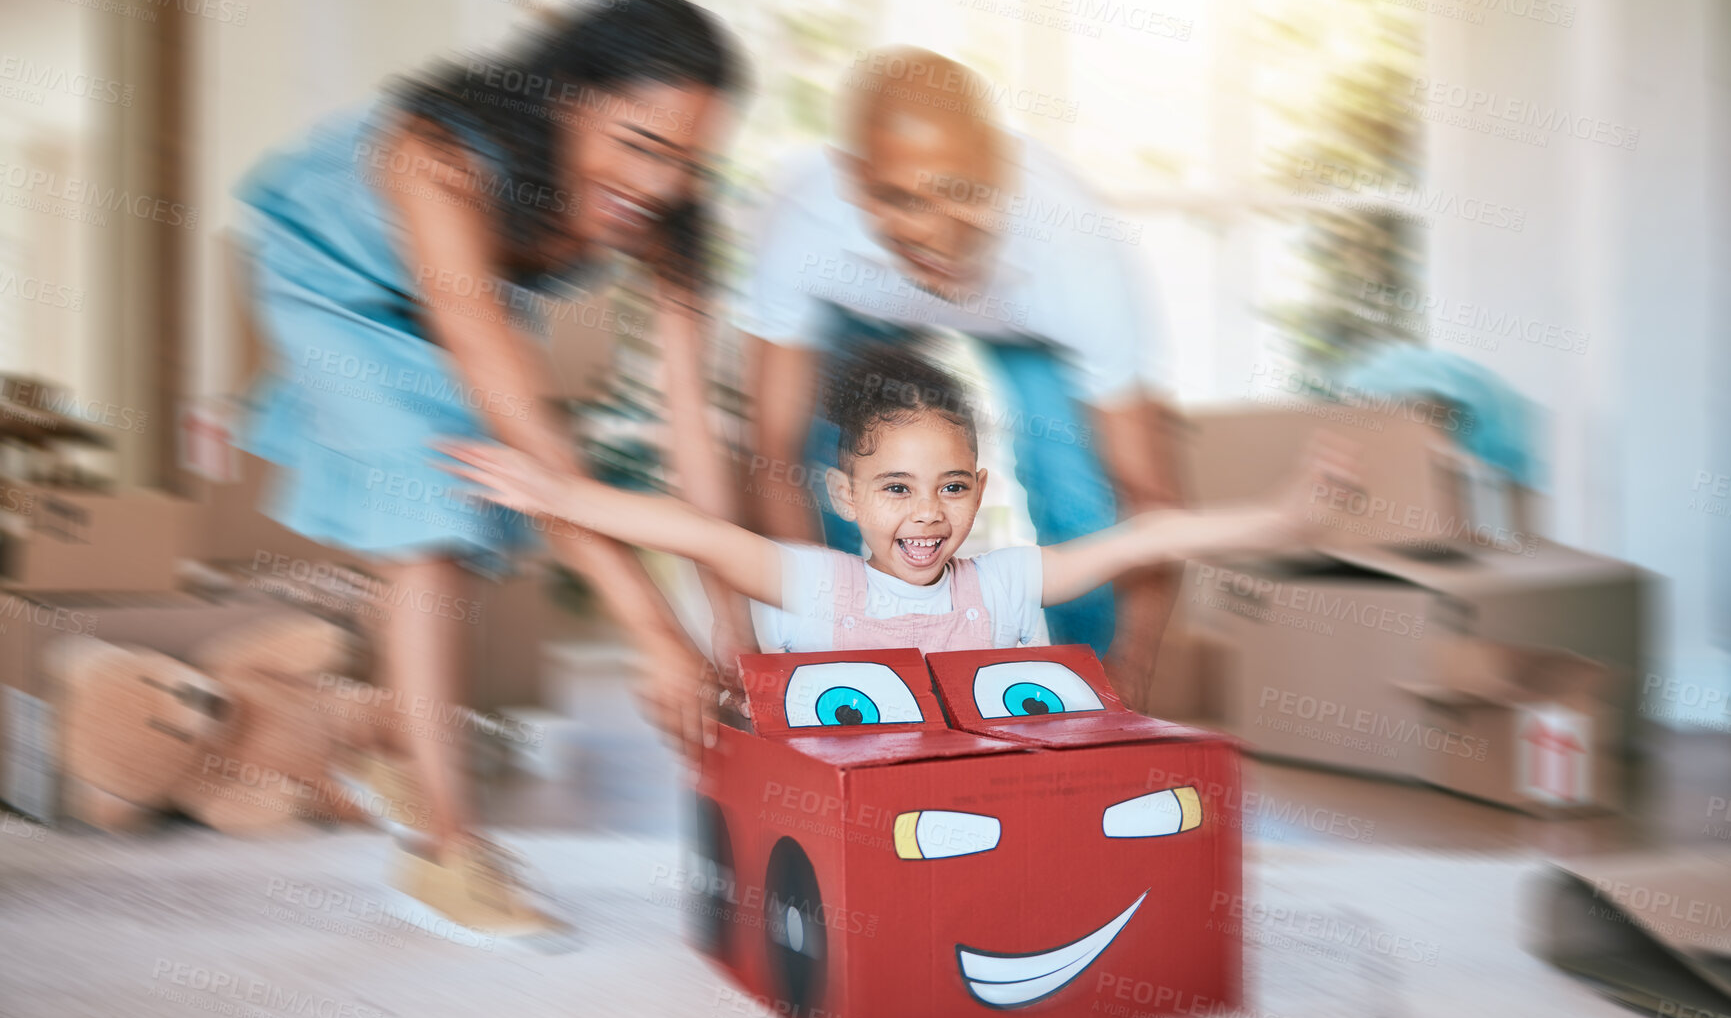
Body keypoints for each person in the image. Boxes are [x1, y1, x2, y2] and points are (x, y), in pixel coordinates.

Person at [234, 0, 746, 930]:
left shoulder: (669, 210)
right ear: (564, 97)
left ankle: (391, 731)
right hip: (336, 282)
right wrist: (652, 628)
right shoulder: (436, 157)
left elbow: (694, 437)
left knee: (475, 515)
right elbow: (531, 441)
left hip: (452, 297)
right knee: (436, 519)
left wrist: (735, 640)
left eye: (688, 160)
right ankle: (445, 855)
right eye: (637, 144)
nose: (661, 186)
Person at [736, 46, 1183, 706]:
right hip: (860, 310)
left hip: (1024, 323)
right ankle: (856, 661)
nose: (935, 231)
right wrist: (817, 659)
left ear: (1000, 170)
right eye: (899, 199)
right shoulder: (802, 220)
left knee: (1080, 498)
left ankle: (1089, 696)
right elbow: (771, 451)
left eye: (961, 196)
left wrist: (1132, 666)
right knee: (822, 460)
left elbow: (1149, 497)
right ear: (856, 182)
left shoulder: (1078, 253)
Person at [438, 348, 1358, 660]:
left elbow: (1146, 534)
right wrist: (561, 491)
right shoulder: (815, 584)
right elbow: (697, 532)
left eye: (952, 487)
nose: (927, 515)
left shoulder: (1000, 585)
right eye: (896, 489)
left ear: (979, 492)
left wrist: (1284, 519)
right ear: (845, 496)